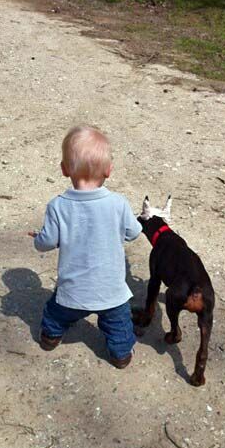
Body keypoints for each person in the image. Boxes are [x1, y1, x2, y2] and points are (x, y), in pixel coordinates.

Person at [29, 125, 142, 368]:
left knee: (56, 313)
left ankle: (50, 336)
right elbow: (134, 233)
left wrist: (38, 238)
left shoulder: (57, 206)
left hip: (73, 291)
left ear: (64, 169)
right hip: (111, 291)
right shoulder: (118, 203)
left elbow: (46, 242)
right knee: (119, 323)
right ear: (109, 170)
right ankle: (121, 354)